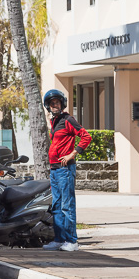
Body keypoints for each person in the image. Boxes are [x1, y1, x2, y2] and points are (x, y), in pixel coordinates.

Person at [42, 89, 92, 252]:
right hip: (55, 169)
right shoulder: (55, 122)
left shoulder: (68, 119)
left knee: (66, 205)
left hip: (65, 169)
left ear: (61, 104)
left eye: (56, 102)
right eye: (51, 103)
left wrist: (72, 154)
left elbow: (86, 136)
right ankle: (59, 239)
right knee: (56, 206)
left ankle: (72, 241)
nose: (54, 105)